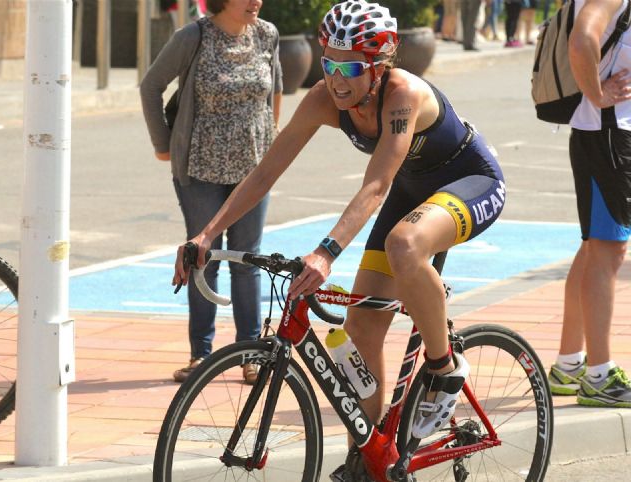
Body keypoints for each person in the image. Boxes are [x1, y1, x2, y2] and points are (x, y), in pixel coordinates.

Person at [172, 0, 505, 477]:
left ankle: (444, 367)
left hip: (468, 181)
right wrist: (205, 233)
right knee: (359, 333)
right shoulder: (325, 99)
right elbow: (265, 170)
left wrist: (327, 252)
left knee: (405, 244)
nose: (337, 79)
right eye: (329, 63)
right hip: (411, 192)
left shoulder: (403, 94)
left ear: (382, 62)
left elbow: (376, 185)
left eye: (350, 66)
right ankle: (368, 458)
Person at [140, 0, 283, 384]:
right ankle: (201, 356)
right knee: (204, 259)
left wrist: (269, 146)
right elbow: (151, 85)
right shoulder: (193, 37)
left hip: (252, 172)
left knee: (246, 261)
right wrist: (162, 143)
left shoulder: (267, 34)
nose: (256, 1)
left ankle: (251, 355)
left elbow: (276, 92)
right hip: (200, 168)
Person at [548, 0, 631, 407]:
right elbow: (582, 40)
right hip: (609, 135)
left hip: (608, 133)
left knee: (594, 248)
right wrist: (597, 96)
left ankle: (569, 363)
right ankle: (599, 375)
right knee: (608, 253)